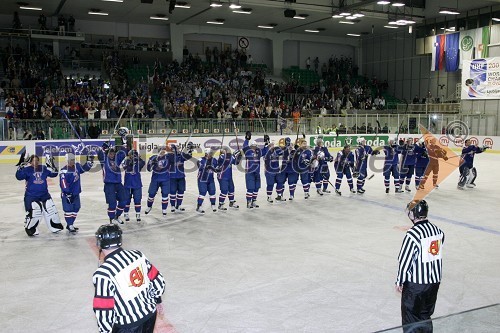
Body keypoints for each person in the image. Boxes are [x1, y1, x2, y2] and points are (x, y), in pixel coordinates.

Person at [93, 224, 166, 333]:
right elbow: (158, 281)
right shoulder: (138, 255)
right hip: (150, 314)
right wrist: (157, 300)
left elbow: (104, 309)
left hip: (127, 325)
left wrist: (105, 331)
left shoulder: (103, 274)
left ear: (99, 243)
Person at [396, 200, 445, 333]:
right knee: (425, 315)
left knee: (411, 317)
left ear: (413, 214)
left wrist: (400, 280)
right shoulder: (438, 231)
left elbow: (405, 259)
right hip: (434, 282)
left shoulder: (413, 234)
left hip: (416, 285)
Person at [15, 153, 63, 236]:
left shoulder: (43, 168)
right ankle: (30, 228)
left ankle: (55, 226)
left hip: (44, 194)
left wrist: (52, 165)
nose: (35, 162)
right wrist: (20, 168)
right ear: (30, 162)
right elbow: (19, 177)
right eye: (33, 161)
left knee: (51, 210)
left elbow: (54, 174)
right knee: (34, 213)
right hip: (31, 195)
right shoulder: (27, 170)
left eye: (37, 160)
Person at [59, 153, 94, 233]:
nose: (72, 161)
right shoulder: (64, 170)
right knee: (68, 210)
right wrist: (67, 193)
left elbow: (84, 168)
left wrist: (90, 162)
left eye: (73, 160)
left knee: (76, 208)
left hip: (76, 192)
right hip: (67, 194)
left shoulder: (77, 166)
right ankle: (70, 224)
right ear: (67, 160)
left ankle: (70, 224)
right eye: (71, 160)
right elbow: (63, 183)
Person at [98, 143, 127, 224]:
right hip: (109, 184)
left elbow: (124, 152)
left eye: (113, 153)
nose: (112, 154)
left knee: (124, 200)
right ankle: (111, 220)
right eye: (110, 153)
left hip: (118, 183)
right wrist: (103, 148)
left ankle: (117, 216)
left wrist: (123, 142)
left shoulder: (117, 159)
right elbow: (99, 153)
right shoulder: (104, 160)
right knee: (112, 204)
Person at [243, 132, 269, 208]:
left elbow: (265, 151)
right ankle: (248, 202)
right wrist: (247, 139)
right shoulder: (248, 151)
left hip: (257, 173)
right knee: (250, 187)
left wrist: (266, 143)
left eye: (255, 146)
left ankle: (254, 201)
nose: (254, 147)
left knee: (256, 187)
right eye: (252, 146)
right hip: (249, 172)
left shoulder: (258, 151)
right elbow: (244, 146)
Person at [145, 146, 173, 216]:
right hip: (155, 179)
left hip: (165, 178)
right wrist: (151, 163)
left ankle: (164, 209)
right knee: (151, 194)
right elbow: (148, 169)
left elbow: (175, 156)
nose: (163, 151)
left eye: (164, 150)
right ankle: (149, 206)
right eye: (161, 150)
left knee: (165, 194)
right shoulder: (153, 157)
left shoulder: (168, 157)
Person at [122, 150, 145, 222]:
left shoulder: (139, 162)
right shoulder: (126, 161)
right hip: (128, 184)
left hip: (137, 184)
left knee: (137, 200)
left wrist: (138, 159)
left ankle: (138, 214)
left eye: (134, 155)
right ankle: (126, 213)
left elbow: (142, 164)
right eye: (132, 155)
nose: (133, 156)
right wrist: (130, 163)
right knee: (127, 200)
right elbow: (126, 168)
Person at [169, 143, 193, 212]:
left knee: (181, 191)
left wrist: (190, 150)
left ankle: (179, 205)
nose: (178, 149)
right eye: (177, 148)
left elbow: (188, 157)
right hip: (172, 176)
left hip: (181, 176)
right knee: (173, 191)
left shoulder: (181, 155)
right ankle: (172, 205)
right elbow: (172, 160)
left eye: (179, 148)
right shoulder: (169, 156)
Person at [196, 148, 218, 213]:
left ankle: (213, 204)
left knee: (212, 192)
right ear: (206, 153)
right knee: (202, 193)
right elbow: (200, 167)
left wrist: (218, 168)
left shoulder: (214, 160)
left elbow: (217, 168)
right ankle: (199, 206)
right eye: (210, 153)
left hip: (210, 179)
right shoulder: (200, 159)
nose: (211, 154)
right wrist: (207, 166)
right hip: (202, 179)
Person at [262, 138, 283, 203]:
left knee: (280, 182)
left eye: (273, 145)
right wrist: (265, 147)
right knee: (270, 184)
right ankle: (269, 196)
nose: (272, 146)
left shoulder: (276, 150)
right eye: (271, 145)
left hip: (277, 170)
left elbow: (281, 153)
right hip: (269, 171)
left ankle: (279, 195)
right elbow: (262, 154)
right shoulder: (265, 151)